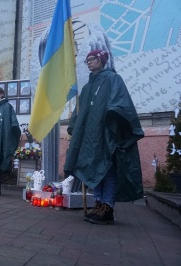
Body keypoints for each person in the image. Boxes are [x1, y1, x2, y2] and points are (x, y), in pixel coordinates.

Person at [64, 49, 144, 225]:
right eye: (87, 60)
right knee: (93, 170)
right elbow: (80, 111)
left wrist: (114, 124)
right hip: (89, 138)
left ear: (102, 60)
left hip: (106, 136)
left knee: (107, 170)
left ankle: (107, 207)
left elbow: (121, 104)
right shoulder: (86, 87)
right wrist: (73, 127)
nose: (90, 62)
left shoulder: (113, 79)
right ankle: (98, 203)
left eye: (92, 59)